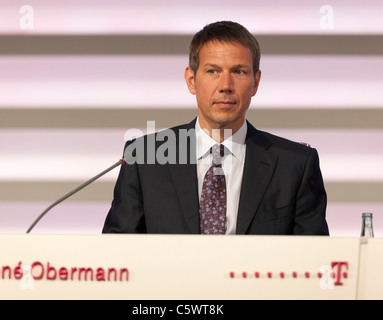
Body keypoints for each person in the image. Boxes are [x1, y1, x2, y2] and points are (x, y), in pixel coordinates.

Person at [102, 21, 329, 235]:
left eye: (239, 71)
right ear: (191, 80)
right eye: (213, 71)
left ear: (256, 82)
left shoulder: (295, 165)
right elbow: (117, 255)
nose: (226, 86)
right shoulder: (145, 157)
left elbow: (314, 259)